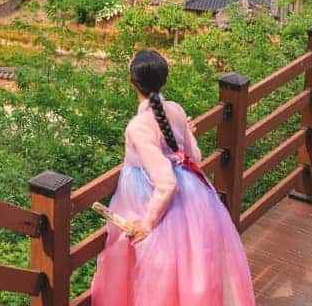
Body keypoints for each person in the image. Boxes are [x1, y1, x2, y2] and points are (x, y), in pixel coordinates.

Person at [91, 50, 255, 305]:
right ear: (164, 80)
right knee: (192, 269)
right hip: (194, 198)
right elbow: (194, 157)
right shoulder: (175, 110)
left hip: (149, 200)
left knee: (152, 273)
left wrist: (146, 224)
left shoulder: (138, 126)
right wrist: (189, 133)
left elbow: (166, 183)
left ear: (131, 80)